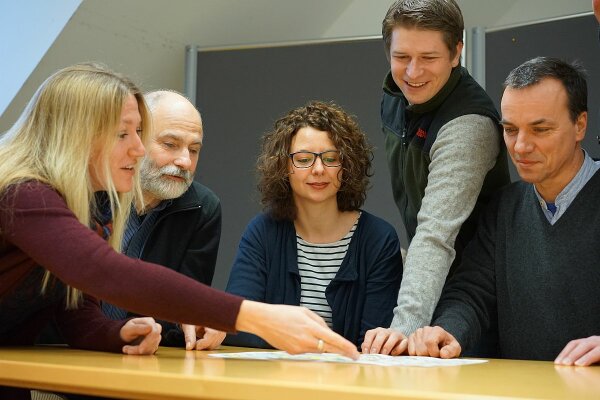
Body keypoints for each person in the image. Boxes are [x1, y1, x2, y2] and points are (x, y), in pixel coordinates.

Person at [0, 63, 359, 398]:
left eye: (140, 133)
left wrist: (117, 333)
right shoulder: (24, 194)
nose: (138, 149)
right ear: (75, 135)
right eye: (124, 134)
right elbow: (107, 273)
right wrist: (257, 316)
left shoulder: (79, 205)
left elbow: (74, 312)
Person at [401, 57, 600, 366]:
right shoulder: (505, 207)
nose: (521, 146)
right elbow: (471, 292)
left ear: (580, 125)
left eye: (540, 129)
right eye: (510, 130)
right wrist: (448, 330)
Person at [362, 0, 510, 355]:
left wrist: (404, 327)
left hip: (476, 297)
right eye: (402, 57)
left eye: (428, 58)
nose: (413, 72)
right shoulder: (395, 97)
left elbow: (435, 233)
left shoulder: (468, 125)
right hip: (429, 282)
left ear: (456, 52)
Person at [202, 101, 403, 350]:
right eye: (304, 159)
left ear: (346, 166)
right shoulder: (263, 232)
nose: (318, 169)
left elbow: (374, 342)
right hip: (277, 383)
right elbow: (238, 323)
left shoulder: (379, 239)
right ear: (284, 168)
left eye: (331, 158)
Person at [102, 90, 222, 349]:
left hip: (143, 355)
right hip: (63, 351)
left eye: (194, 150)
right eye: (170, 145)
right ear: (136, 140)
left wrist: (196, 321)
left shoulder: (203, 208)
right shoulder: (93, 191)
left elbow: (186, 306)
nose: (184, 161)